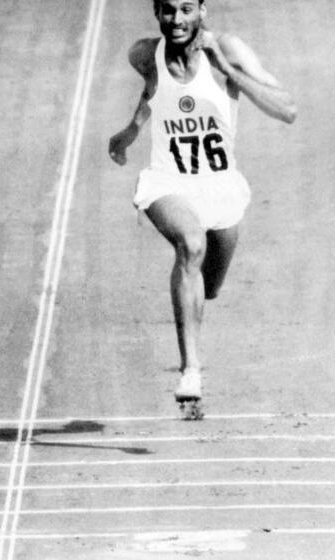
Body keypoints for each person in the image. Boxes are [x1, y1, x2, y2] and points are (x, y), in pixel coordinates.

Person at [108, 0, 296, 416]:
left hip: (221, 186)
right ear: (156, 12)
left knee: (209, 286)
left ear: (202, 11)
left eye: (186, 9)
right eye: (169, 11)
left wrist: (229, 74)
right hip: (167, 181)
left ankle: (196, 299)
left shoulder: (228, 49)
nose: (177, 20)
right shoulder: (144, 53)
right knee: (191, 245)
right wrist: (130, 131)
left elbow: (287, 110)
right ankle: (191, 369)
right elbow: (152, 90)